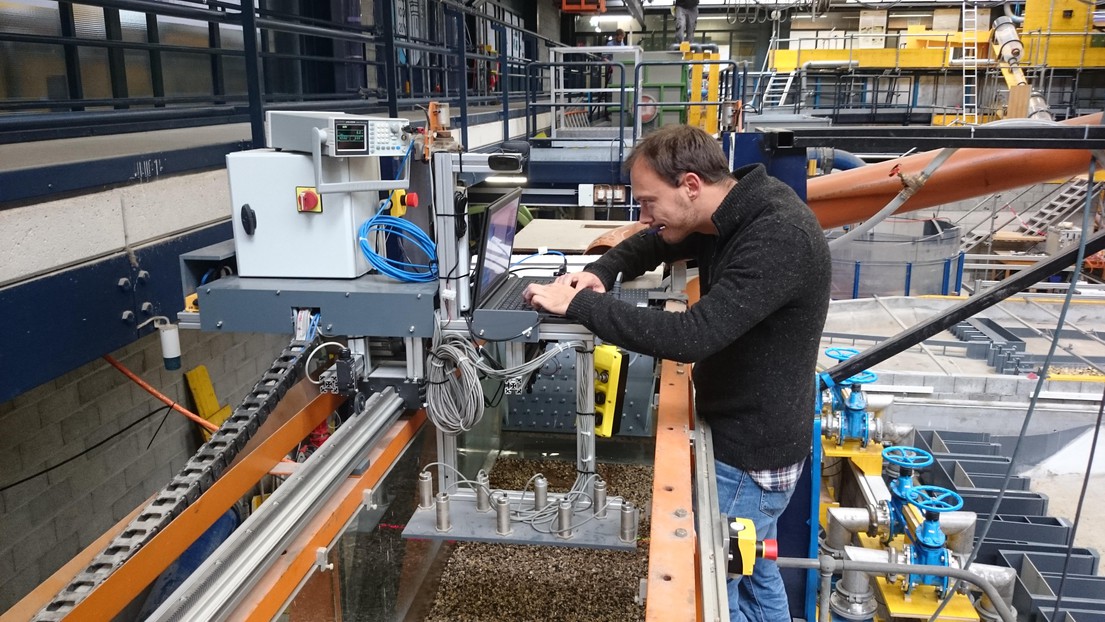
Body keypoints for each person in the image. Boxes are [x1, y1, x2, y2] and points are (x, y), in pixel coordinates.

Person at [524, 124, 831, 621]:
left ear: (690, 185)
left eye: (648, 202)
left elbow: (690, 337)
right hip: (749, 430)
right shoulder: (728, 211)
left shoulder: (776, 234)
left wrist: (578, 304)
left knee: (719, 583)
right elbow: (655, 243)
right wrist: (599, 273)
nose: (643, 216)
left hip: (748, 451)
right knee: (753, 569)